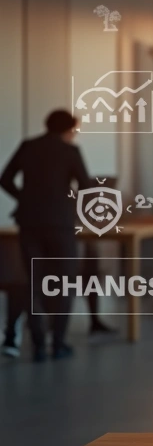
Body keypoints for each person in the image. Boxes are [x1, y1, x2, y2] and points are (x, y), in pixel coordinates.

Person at [0, 110, 89, 361]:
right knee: (64, 283)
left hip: (29, 223)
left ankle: (38, 345)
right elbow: (85, 186)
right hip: (60, 224)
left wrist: (24, 198)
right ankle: (58, 343)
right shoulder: (70, 151)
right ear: (68, 129)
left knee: (34, 283)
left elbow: (4, 179)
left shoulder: (28, 146)